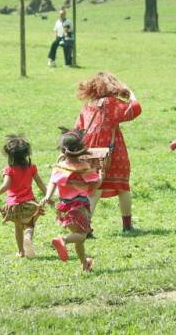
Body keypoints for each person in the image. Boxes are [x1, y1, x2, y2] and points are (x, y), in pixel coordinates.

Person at [73, 72, 142, 232]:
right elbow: (135, 109)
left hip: (90, 151)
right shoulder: (112, 103)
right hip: (112, 151)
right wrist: (130, 94)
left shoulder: (88, 105)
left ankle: (84, 225)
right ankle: (127, 226)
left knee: (95, 188)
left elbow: (78, 128)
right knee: (123, 187)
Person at [40, 131, 103, 271]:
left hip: (64, 206)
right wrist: (101, 176)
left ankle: (84, 264)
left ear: (63, 150)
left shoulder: (60, 166)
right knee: (81, 235)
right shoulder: (84, 166)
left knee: (79, 237)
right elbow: (95, 185)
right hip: (79, 204)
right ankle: (63, 240)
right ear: (81, 150)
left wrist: (48, 196)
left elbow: (53, 182)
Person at [0, 135, 47, 258]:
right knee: (30, 223)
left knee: (18, 228)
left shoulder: (9, 170)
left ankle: (21, 251)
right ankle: (28, 235)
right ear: (26, 154)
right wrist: (47, 194)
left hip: (14, 206)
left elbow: (6, 186)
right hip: (30, 204)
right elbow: (39, 182)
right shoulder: (31, 167)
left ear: (10, 156)